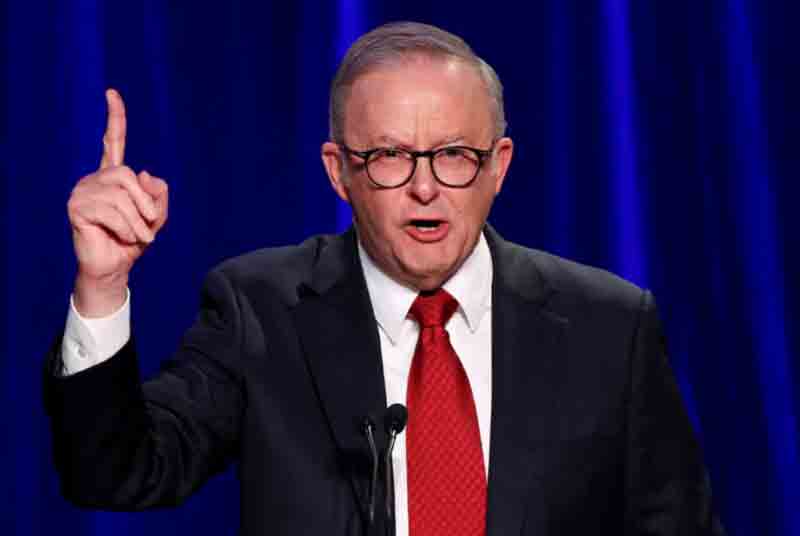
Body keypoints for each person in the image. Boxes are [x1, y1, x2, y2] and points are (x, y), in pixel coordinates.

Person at [45, 21, 725, 536]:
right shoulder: (260, 311)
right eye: (391, 157)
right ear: (338, 171)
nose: (426, 187)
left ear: (500, 165)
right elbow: (118, 474)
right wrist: (101, 287)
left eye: (455, 154)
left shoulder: (608, 325)